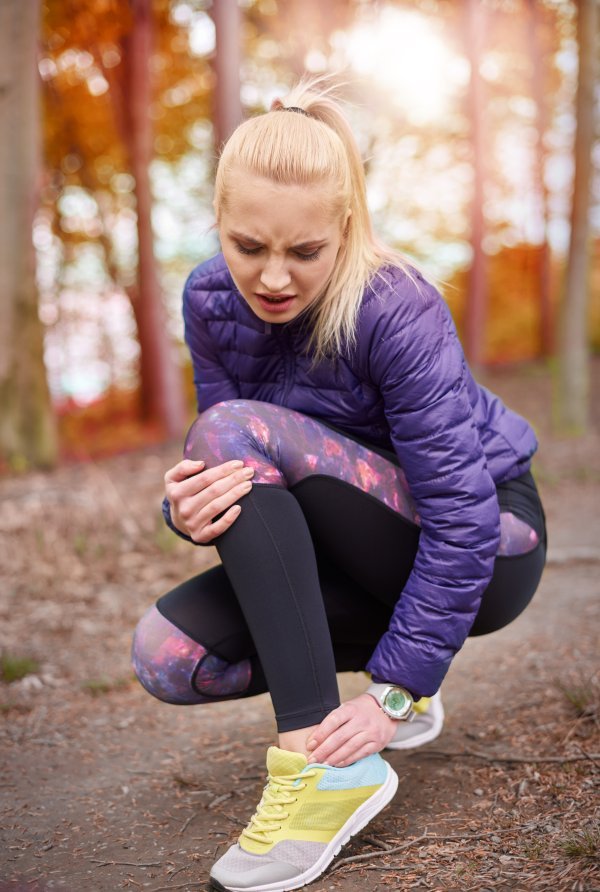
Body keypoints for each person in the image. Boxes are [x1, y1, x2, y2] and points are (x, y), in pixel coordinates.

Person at [131, 80, 547, 892]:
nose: (272, 277)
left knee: (231, 430)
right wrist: (185, 510)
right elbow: (238, 474)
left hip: (489, 543)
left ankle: (322, 768)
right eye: (248, 246)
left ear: (346, 227)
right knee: (169, 657)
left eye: (305, 252)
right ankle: (356, 713)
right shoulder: (210, 299)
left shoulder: (396, 306)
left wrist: (394, 693)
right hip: (356, 545)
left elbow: (463, 521)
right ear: (218, 221)